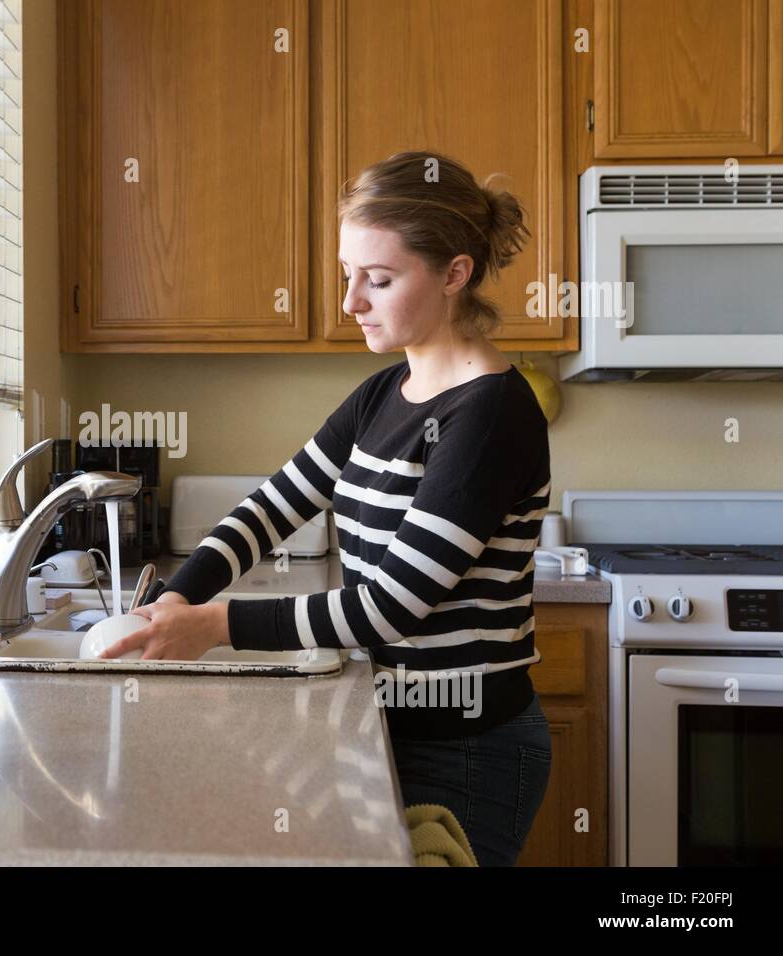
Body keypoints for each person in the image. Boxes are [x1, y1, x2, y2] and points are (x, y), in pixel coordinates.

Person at [101, 151, 553, 866]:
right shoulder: (383, 394)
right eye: (349, 275)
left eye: (379, 279)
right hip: (386, 725)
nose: (351, 302)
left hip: (466, 749)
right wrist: (170, 605)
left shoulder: (490, 412)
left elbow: (393, 606)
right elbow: (271, 510)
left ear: (454, 273)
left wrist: (214, 626)